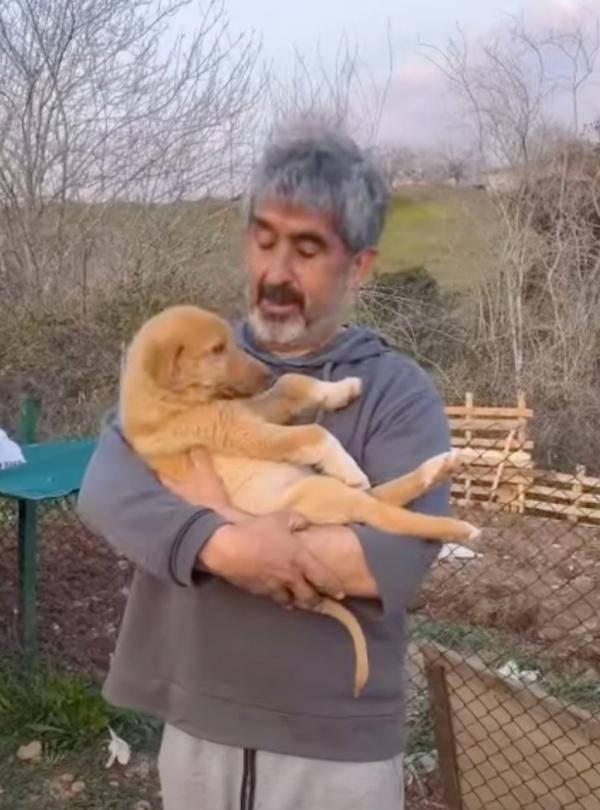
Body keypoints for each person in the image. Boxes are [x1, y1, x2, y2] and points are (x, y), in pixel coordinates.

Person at [77, 120, 451, 810]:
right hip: (199, 730)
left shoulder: (400, 393)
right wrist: (226, 542)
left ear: (360, 266)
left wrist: (202, 509)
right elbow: (108, 489)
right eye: (264, 238)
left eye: (307, 249)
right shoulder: (188, 355)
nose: (276, 273)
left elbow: (389, 557)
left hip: (335, 750)